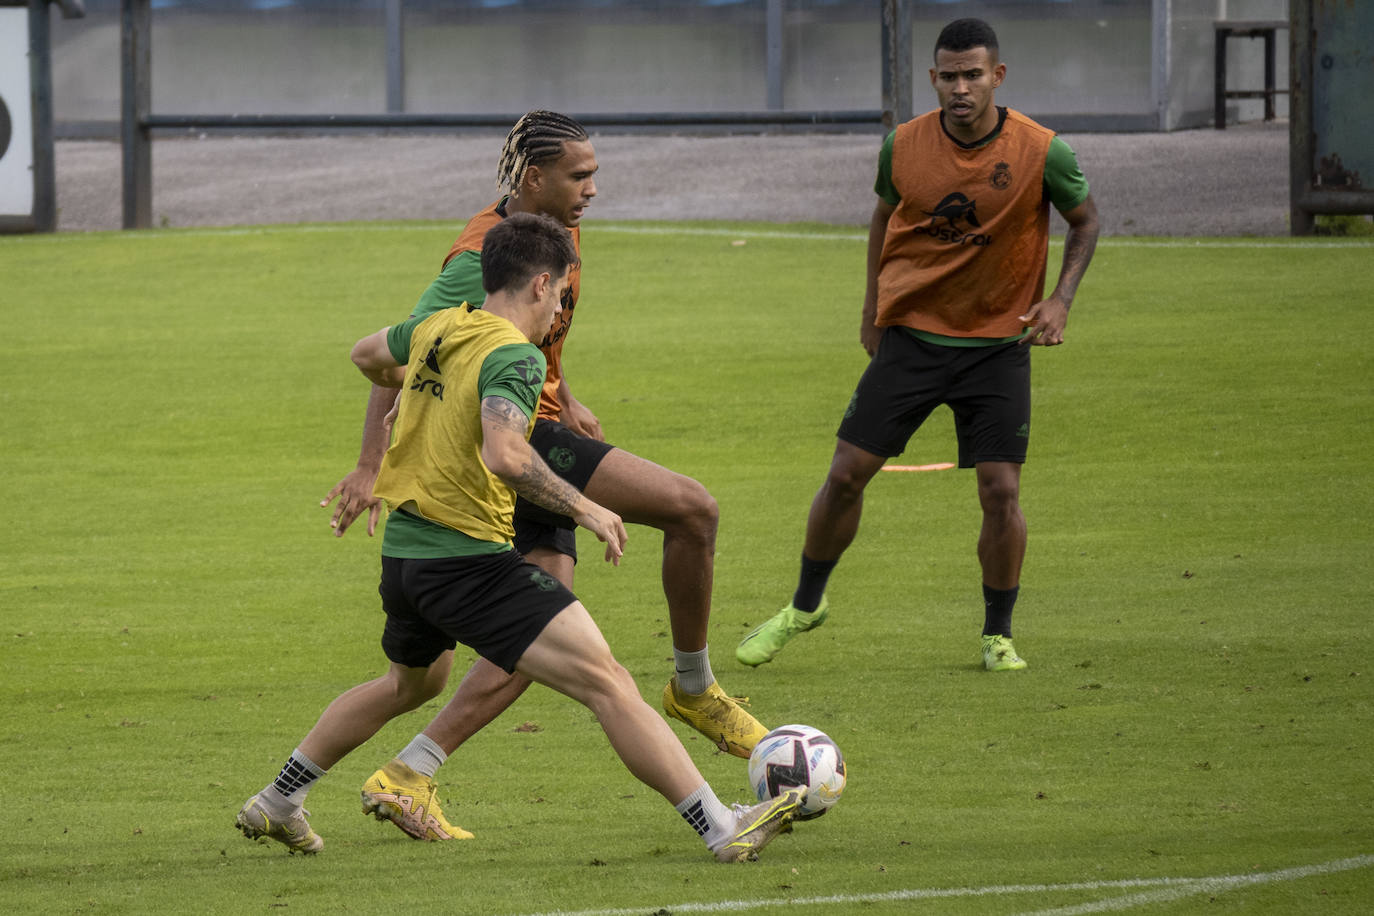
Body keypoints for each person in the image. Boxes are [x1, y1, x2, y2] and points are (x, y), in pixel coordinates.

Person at [235, 212, 802, 861]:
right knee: (608, 681)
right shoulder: (515, 357)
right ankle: (722, 830)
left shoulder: (439, 328)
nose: (560, 309)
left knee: (410, 685)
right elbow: (506, 453)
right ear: (538, 284)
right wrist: (585, 508)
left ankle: (279, 799)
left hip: (405, 559)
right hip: (468, 565)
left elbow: (367, 355)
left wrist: (415, 392)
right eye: (561, 294)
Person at [321, 111, 767, 842]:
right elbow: (409, 350)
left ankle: (408, 772)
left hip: (537, 419)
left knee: (543, 621)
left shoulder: (554, 226)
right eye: (580, 175)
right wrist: (372, 462)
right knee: (691, 510)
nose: (593, 187)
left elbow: (533, 330)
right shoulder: (474, 260)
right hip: (515, 444)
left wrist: (564, 385)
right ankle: (694, 691)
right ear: (535, 178)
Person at [736, 18, 1099, 673]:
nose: (961, 88)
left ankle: (997, 635)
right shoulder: (901, 146)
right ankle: (805, 605)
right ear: (933, 79)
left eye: (973, 75)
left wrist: (1061, 298)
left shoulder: (1044, 151)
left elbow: (1086, 221)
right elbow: (883, 216)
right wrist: (874, 307)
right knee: (846, 475)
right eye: (949, 77)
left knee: (1000, 491)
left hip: (997, 344)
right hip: (913, 338)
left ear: (998, 77)